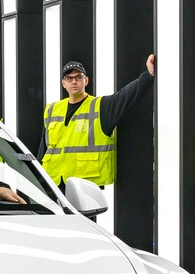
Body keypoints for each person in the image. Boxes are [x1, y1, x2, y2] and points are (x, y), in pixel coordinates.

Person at [40, 54, 156, 186]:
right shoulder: (52, 110)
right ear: (63, 83)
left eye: (79, 77)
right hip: (52, 184)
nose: (74, 81)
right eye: (69, 78)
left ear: (86, 81)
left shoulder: (100, 107)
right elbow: (43, 150)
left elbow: (126, 96)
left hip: (85, 186)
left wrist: (148, 75)